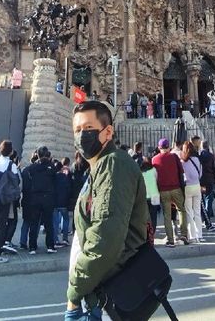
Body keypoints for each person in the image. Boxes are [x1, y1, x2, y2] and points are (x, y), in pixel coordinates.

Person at [65, 99, 149, 319]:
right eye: (77, 130)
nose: (82, 135)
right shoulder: (98, 168)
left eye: (88, 128)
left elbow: (105, 238)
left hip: (108, 292)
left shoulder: (113, 165)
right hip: (97, 288)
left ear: (108, 131)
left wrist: (74, 293)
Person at [152, 137, 186, 246]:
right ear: (169, 147)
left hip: (163, 190)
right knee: (181, 210)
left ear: (159, 147)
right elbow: (181, 172)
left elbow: (154, 177)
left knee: (167, 215)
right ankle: (184, 235)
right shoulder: (174, 157)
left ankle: (170, 240)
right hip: (176, 188)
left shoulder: (154, 159)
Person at [24, 146, 57, 254]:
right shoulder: (51, 167)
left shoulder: (32, 168)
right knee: (48, 223)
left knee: (34, 223)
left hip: (35, 198)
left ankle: (32, 247)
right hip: (48, 198)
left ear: (37, 154)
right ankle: (50, 246)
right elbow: (54, 181)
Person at [180, 140, 203, 243]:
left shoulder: (182, 162)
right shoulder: (197, 160)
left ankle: (192, 236)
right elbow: (200, 173)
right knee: (197, 211)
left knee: (189, 212)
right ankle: (200, 235)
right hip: (197, 185)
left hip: (188, 187)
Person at [54, 157, 73, 246]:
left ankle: (55, 239)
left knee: (55, 221)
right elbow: (69, 189)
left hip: (55, 202)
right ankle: (65, 238)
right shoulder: (65, 177)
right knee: (65, 219)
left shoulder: (53, 177)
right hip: (63, 202)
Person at [140, 157, 160, 233]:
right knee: (153, 217)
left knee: (144, 217)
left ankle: (145, 234)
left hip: (144, 197)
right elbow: (156, 180)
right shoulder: (154, 170)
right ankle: (152, 234)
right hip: (154, 195)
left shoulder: (140, 172)